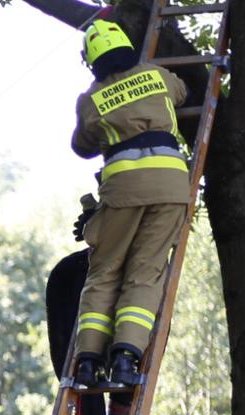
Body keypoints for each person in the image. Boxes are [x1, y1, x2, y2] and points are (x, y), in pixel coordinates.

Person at [69, 18, 190, 389]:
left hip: (123, 190)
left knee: (104, 272)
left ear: (92, 61)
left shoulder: (90, 100)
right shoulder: (157, 75)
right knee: (146, 272)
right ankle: (126, 358)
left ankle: (87, 362)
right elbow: (182, 93)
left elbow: (82, 146)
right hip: (171, 186)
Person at [48, 195, 133, 415]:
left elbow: (63, 361)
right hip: (110, 357)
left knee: (89, 383)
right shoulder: (130, 268)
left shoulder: (64, 271)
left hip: (81, 368)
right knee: (127, 369)